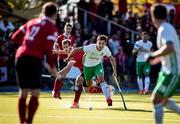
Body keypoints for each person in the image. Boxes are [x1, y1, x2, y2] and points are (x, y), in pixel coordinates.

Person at [11, 2, 61, 124]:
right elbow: (49, 51)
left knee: (23, 92)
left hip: (21, 56)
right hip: (34, 59)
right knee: (35, 93)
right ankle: (28, 122)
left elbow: (14, 37)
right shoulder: (51, 27)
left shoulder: (32, 22)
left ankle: (22, 121)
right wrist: (53, 70)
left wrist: (28, 45)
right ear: (54, 14)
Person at [148, 4, 180, 124]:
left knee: (156, 100)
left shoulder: (164, 29)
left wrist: (153, 55)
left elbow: (169, 47)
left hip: (172, 72)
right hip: (167, 71)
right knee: (163, 100)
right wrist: (155, 59)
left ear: (153, 16)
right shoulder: (166, 27)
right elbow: (168, 52)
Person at [65, 35, 117, 106]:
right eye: (100, 43)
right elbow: (76, 50)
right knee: (88, 87)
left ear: (105, 44)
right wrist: (68, 58)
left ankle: (108, 99)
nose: (101, 45)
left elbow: (112, 59)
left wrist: (115, 72)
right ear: (97, 42)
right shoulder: (90, 47)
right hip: (87, 68)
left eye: (103, 43)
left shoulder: (106, 49)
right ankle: (97, 84)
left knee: (101, 80)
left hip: (98, 66)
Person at [52, 39, 103, 108]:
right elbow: (64, 52)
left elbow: (68, 68)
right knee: (87, 90)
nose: (66, 49)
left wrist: (57, 74)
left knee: (78, 80)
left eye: (67, 47)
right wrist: (57, 52)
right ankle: (106, 90)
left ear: (71, 46)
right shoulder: (69, 51)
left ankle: (75, 103)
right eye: (64, 47)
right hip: (86, 69)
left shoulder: (74, 54)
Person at [52, 23, 75, 98]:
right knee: (61, 75)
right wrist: (56, 50)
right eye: (67, 28)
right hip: (61, 58)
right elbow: (55, 45)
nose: (68, 30)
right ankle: (56, 92)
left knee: (63, 76)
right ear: (64, 28)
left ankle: (58, 91)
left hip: (69, 59)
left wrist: (58, 51)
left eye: (69, 29)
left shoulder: (72, 37)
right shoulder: (60, 37)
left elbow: (72, 49)